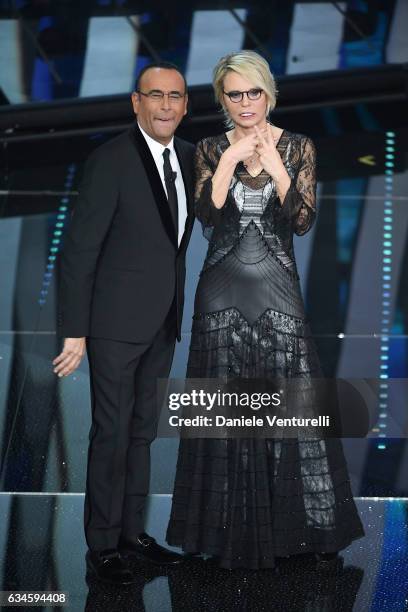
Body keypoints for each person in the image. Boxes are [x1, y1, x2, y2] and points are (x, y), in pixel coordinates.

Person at [166, 50, 365, 570]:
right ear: (222, 99)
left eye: (253, 92)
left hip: (279, 286)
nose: (245, 102)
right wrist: (228, 163)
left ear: (269, 93)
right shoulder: (209, 147)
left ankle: (308, 534)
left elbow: (300, 220)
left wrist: (276, 167)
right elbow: (205, 217)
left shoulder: (299, 146)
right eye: (234, 93)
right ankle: (221, 533)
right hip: (221, 290)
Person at [53, 62, 195, 584]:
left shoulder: (188, 156)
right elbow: (79, 250)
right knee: (111, 432)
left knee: (141, 433)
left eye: (174, 96)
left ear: (184, 104)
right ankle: (102, 544)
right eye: (154, 95)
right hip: (114, 323)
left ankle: (133, 535)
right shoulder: (109, 160)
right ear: (135, 102)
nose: (164, 105)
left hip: (162, 321)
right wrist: (75, 328)